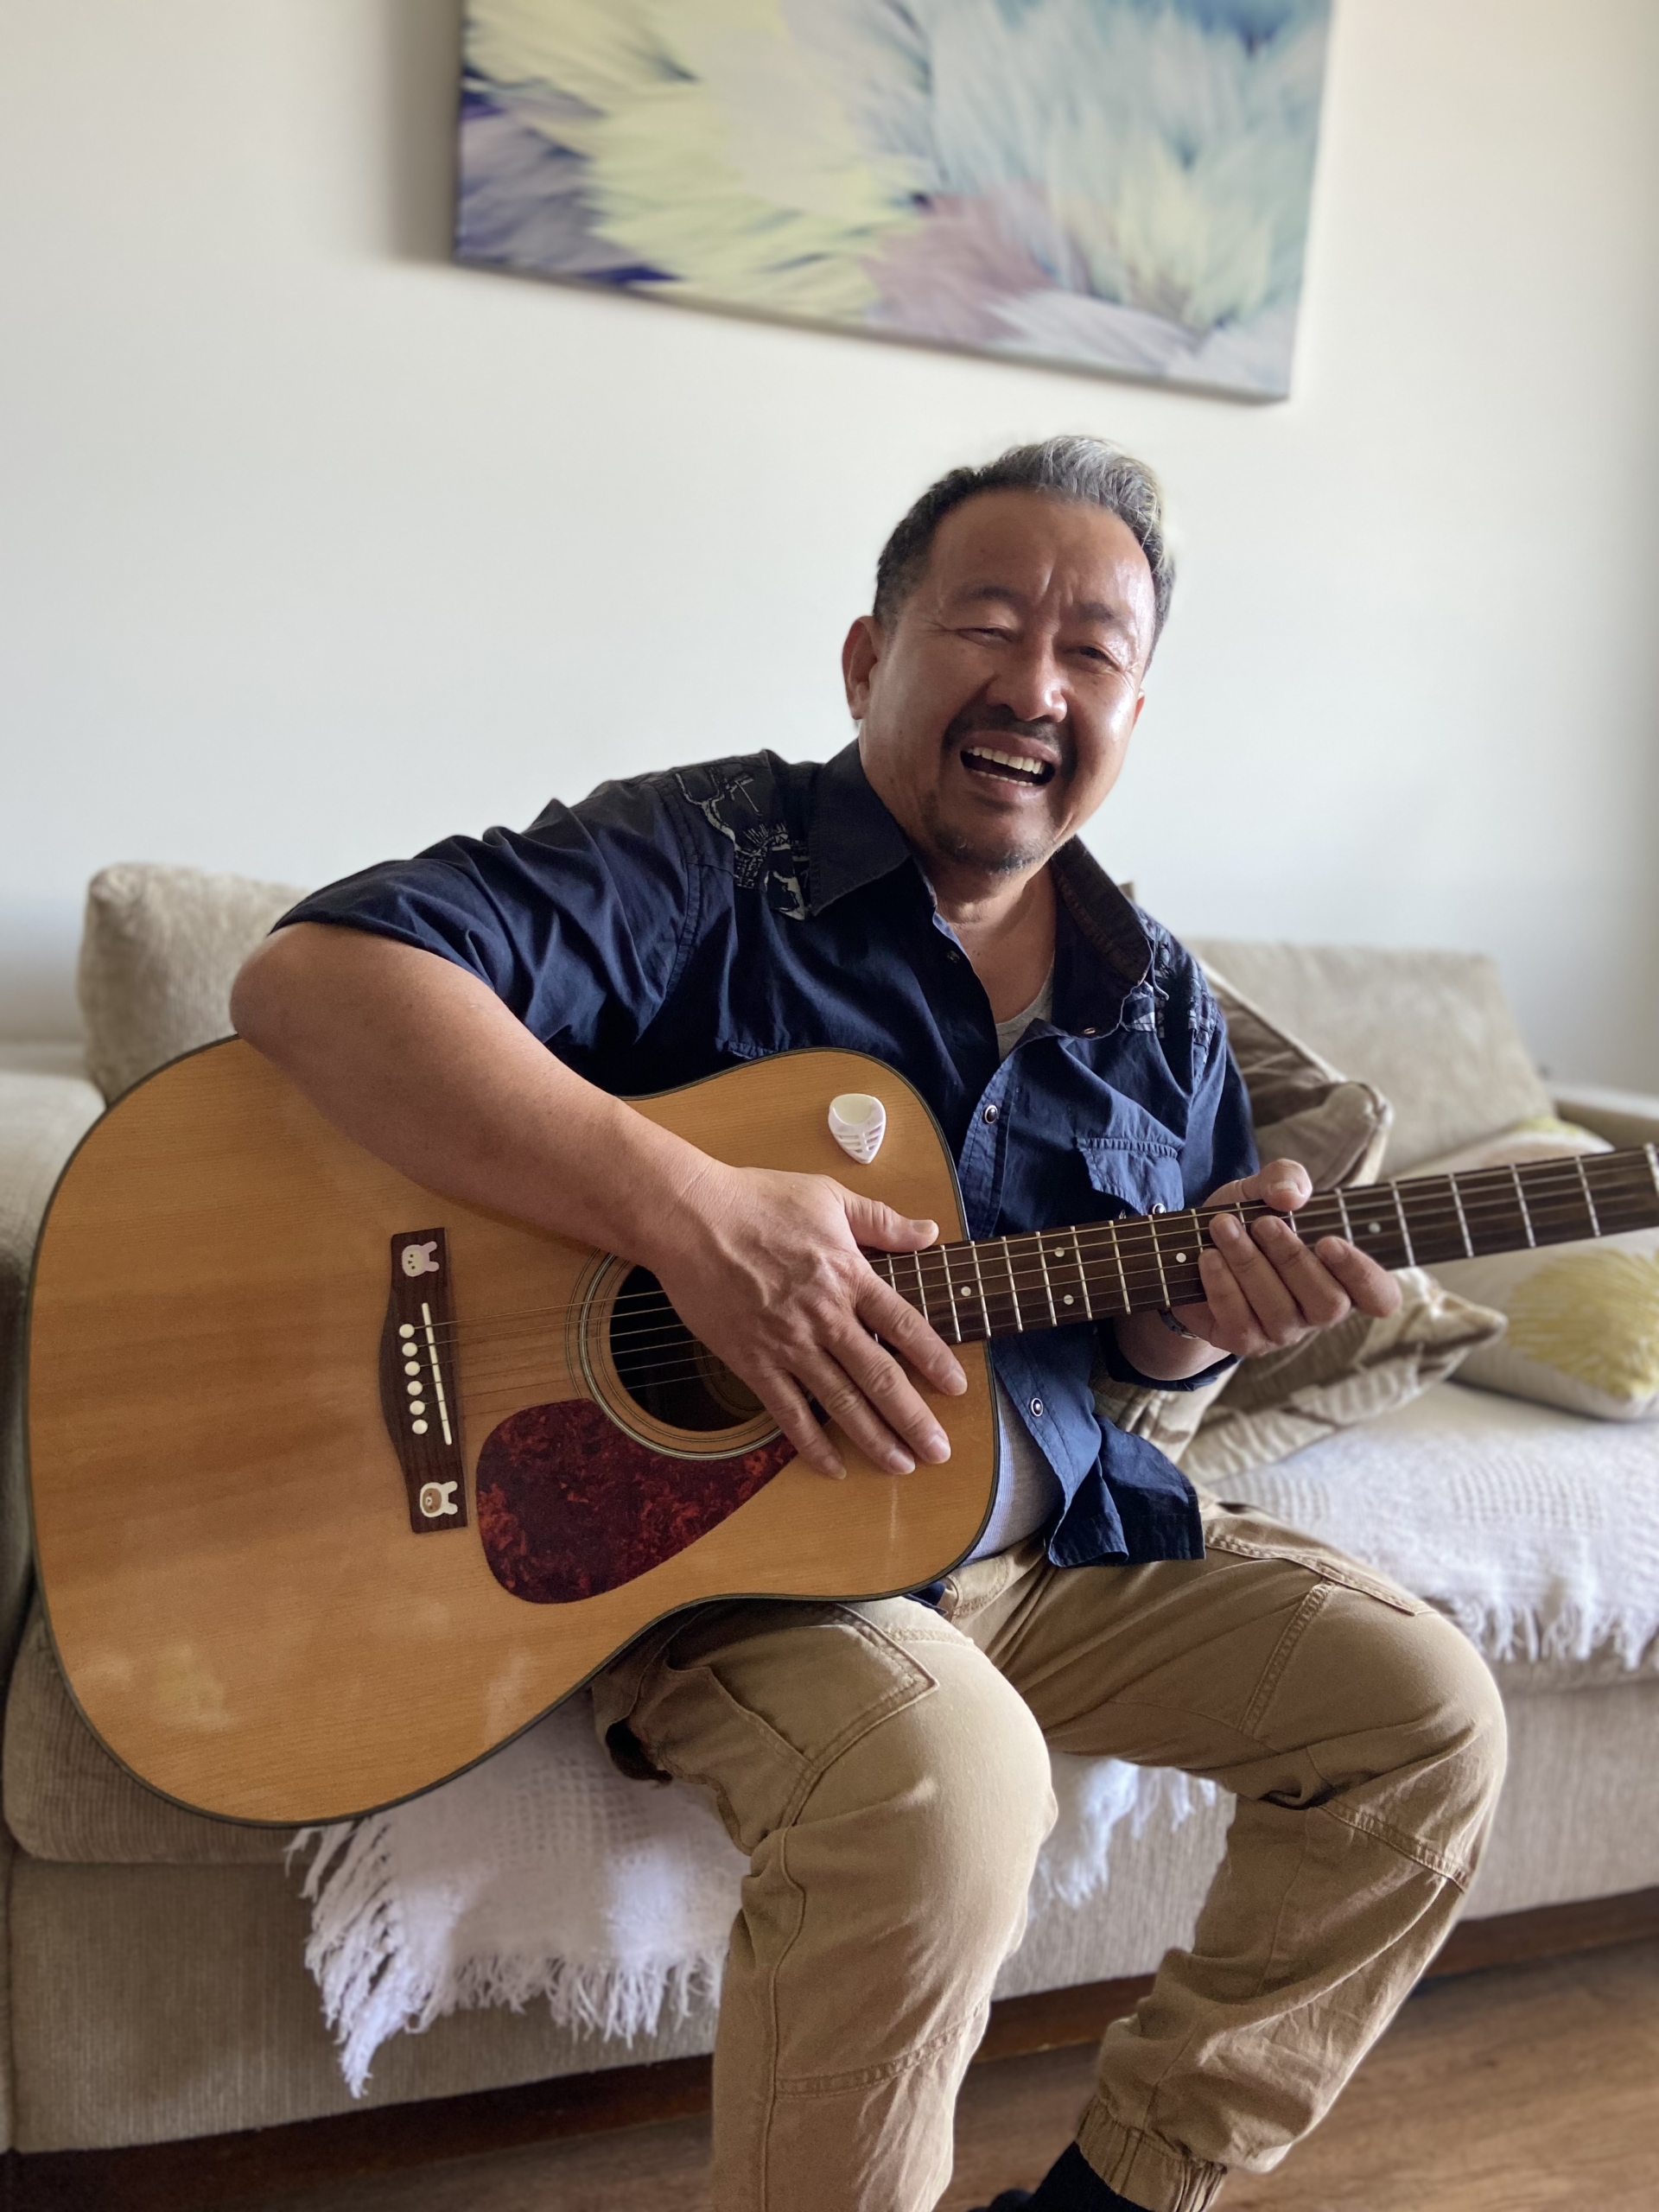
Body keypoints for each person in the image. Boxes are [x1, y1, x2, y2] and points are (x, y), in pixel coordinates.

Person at [231, 436, 1506, 2212]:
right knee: (947, 1781)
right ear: (869, 657)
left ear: (1138, 708)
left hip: (1030, 1545)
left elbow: (1131, 1389)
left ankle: (1125, 2192)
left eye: (1094, 651)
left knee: (1426, 1711)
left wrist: (1191, 1333)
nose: (1034, 684)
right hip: (728, 1550)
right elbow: (315, 977)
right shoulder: (710, 851)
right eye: (988, 621)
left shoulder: (1162, 1007)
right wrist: (693, 1217)